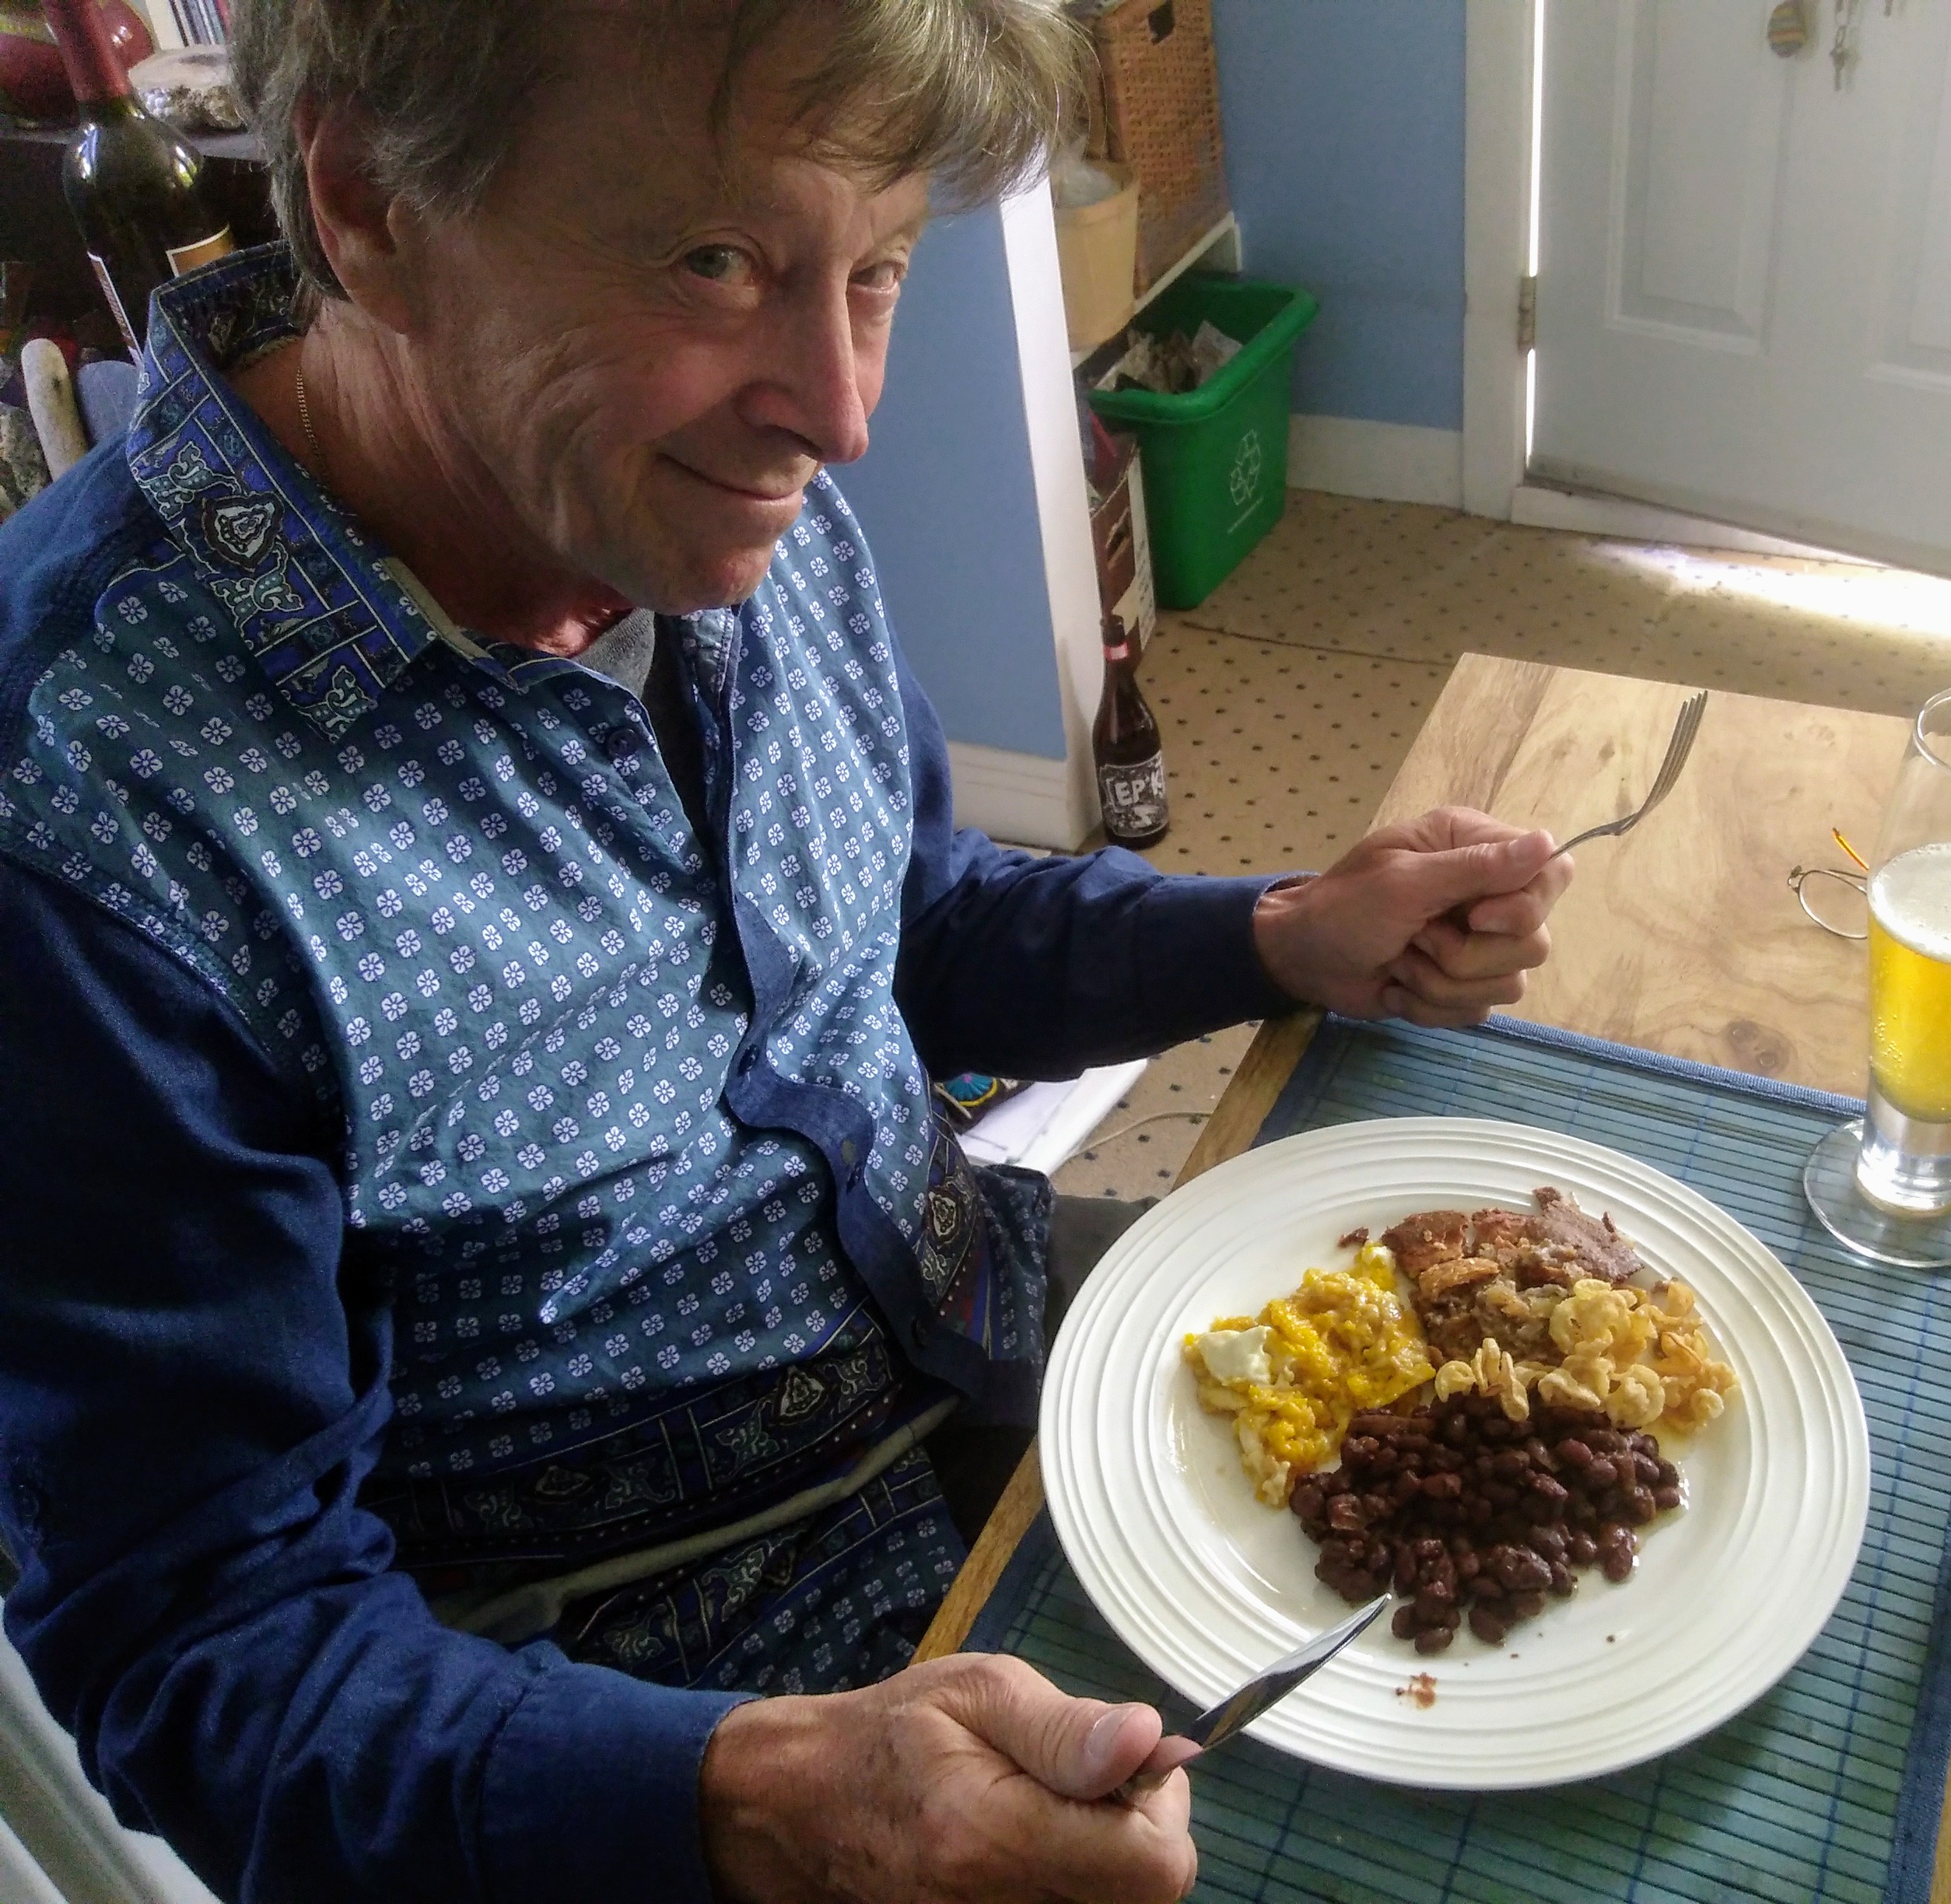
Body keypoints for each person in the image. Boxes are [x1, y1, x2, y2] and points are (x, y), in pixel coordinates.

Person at [0, 5, 1573, 1902]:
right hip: (635, 1703)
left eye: (880, 269)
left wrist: (1275, 935)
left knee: (1535, 1472)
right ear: (370, 202)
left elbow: (904, 924)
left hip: (975, 1330)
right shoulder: (84, 820)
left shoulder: (708, 486)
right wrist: (750, 1804)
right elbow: (205, 1650)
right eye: (716, 260)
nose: (841, 414)